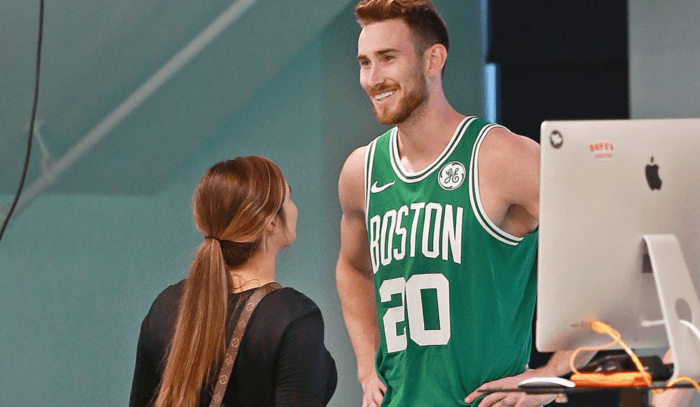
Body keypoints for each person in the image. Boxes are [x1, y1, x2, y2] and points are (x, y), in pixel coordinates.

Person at [335, 1, 592, 406]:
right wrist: (367, 367)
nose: (373, 78)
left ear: (432, 60)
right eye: (364, 62)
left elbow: (605, 259)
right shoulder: (360, 171)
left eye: (388, 59)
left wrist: (554, 373)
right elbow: (352, 267)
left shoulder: (501, 157)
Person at [129, 156, 337, 407]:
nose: (294, 207)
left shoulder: (165, 307)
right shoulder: (293, 316)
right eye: (289, 196)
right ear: (271, 222)